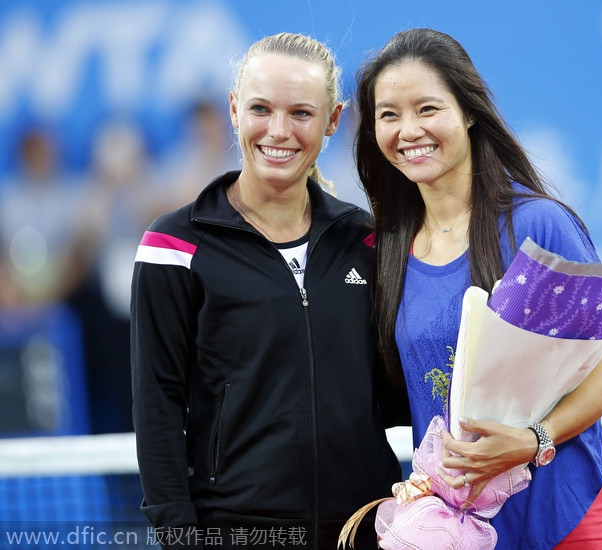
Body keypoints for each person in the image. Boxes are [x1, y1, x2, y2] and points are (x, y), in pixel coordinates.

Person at [355, 28, 602, 548]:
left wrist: (533, 442)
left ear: (467, 112)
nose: (408, 129)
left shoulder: (540, 226)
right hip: (455, 532)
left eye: (427, 108)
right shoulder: (385, 250)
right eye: (388, 115)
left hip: (565, 517)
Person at [131, 33, 406, 549]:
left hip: (367, 529)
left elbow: (393, 393)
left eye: (301, 113)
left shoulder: (368, 241)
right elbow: (157, 406)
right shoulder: (172, 246)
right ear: (234, 110)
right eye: (261, 108)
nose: (278, 131)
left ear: (332, 121)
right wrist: (180, 537)